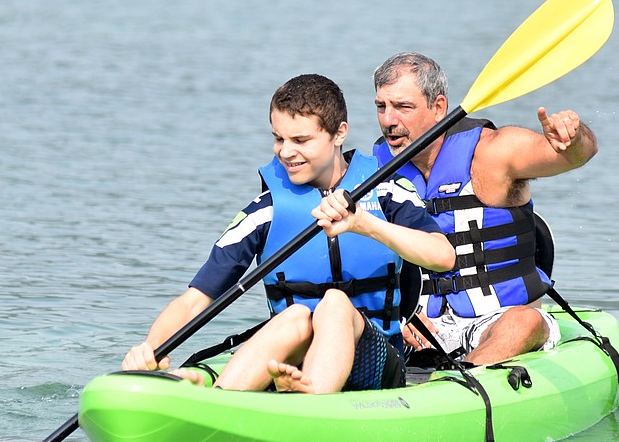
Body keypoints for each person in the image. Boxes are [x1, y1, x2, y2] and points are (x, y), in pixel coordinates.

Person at [121, 73, 454, 394]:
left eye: (301, 140)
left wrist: (364, 224)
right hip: (293, 349)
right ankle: (219, 399)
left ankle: (309, 397)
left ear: (339, 134)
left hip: (375, 359)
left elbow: (442, 256)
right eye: (278, 138)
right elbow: (196, 298)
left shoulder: (387, 191)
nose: (285, 151)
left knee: (335, 304)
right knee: (295, 315)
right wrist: (151, 348)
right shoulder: (267, 208)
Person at [371, 52, 598, 365]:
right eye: (381, 107)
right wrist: (399, 319)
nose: (388, 120)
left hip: (498, 320)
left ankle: (460, 384)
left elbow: (575, 156)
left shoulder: (493, 151)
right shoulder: (376, 168)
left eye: (402, 107)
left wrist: (572, 140)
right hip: (419, 326)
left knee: (524, 322)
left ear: (438, 108)